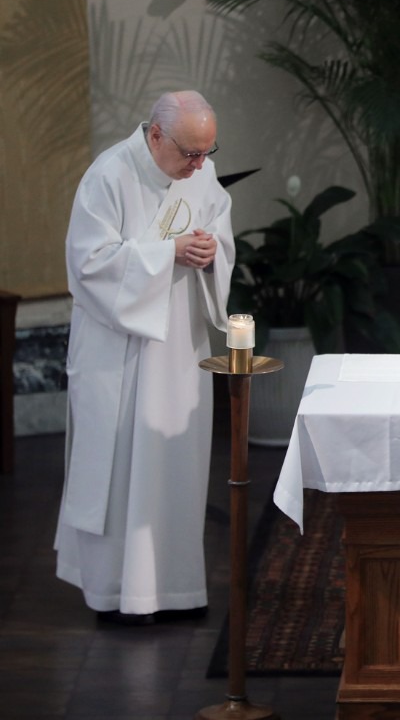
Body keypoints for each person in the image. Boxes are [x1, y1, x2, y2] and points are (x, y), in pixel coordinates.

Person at [54, 91, 234, 624]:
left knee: (174, 465)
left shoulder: (203, 173)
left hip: (179, 345)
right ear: (155, 135)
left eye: (207, 152)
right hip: (119, 352)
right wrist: (167, 255)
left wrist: (210, 253)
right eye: (189, 153)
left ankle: (175, 590)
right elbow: (87, 264)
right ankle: (115, 593)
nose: (199, 165)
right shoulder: (108, 175)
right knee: (120, 469)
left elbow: (220, 231)